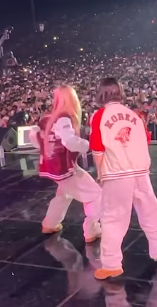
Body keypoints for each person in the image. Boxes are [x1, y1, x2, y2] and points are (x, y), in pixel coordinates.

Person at [89, 77, 157, 280]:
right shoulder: (133, 115)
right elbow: (146, 139)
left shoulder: (99, 116)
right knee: (150, 213)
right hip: (141, 172)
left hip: (117, 174)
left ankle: (112, 264)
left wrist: (100, 173)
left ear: (101, 93)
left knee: (113, 219)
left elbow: (97, 149)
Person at [30, 85, 102, 243]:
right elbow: (69, 141)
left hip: (52, 166)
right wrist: (86, 145)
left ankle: (50, 223)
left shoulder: (50, 118)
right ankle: (92, 229)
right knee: (95, 194)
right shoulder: (64, 117)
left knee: (64, 194)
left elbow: (35, 136)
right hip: (63, 167)